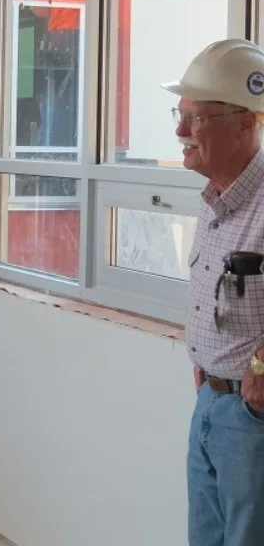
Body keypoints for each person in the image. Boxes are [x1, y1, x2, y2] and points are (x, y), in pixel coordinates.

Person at [162, 38, 264, 546]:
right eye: (180, 115)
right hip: (210, 400)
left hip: (253, 417)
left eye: (197, 118)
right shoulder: (214, 197)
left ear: (247, 122)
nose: (181, 131)